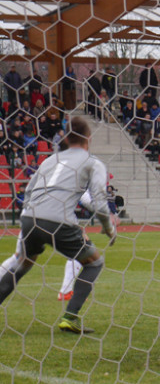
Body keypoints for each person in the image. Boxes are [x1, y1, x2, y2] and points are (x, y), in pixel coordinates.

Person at [0, 116, 116, 334]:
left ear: (65, 138)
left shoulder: (49, 161)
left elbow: (28, 191)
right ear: (88, 139)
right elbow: (100, 201)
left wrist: (31, 218)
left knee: (22, 264)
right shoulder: (93, 163)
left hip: (30, 217)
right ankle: (70, 317)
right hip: (58, 221)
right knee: (94, 263)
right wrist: (109, 228)